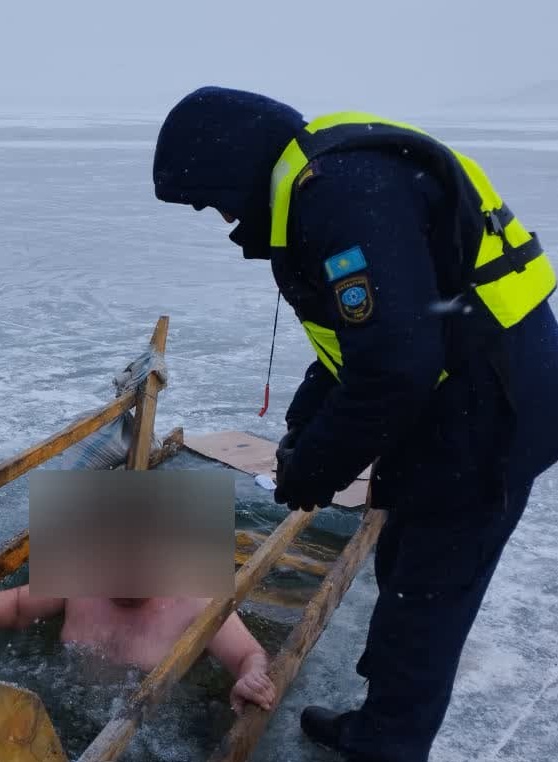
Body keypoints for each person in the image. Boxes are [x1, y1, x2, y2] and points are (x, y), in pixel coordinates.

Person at [151, 87, 558, 761]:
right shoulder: (337, 178)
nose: (224, 218)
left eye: (215, 199)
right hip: (469, 388)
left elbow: (395, 365)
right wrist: (305, 423)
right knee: (406, 565)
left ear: (236, 166)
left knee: (429, 590)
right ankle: (381, 724)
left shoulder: (338, 195)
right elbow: (367, 340)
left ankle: (386, 747)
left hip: (490, 409)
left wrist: (315, 467)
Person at [0, 583, 277, 712]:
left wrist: (251, 677)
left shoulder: (198, 602)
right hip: (65, 703)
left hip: (155, 729)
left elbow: (249, 655)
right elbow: (18, 606)